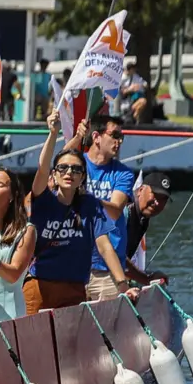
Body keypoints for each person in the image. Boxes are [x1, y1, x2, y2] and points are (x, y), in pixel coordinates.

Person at [24, 111, 136, 314]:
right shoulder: (43, 199)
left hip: (74, 288)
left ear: (83, 177)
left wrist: (123, 285)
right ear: (55, 174)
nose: (69, 173)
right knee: (36, 343)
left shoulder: (90, 205)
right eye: (63, 168)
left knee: (72, 344)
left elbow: (105, 247)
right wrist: (53, 133)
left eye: (75, 170)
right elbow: (42, 168)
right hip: (40, 286)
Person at [79, 115, 135, 301]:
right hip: (77, 265)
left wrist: (85, 197)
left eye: (121, 137)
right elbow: (57, 164)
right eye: (114, 135)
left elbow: (115, 210)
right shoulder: (77, 165)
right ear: (96, 137)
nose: (119, 141)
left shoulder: (123, 173)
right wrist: (76, 138)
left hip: (107, 271)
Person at [0, 167, 36, 321]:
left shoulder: (26, 230)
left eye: (0, 185)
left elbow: (13, 275)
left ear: (12, 195)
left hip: (10, 314)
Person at [124, 171, 172, 286]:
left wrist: (149, 276)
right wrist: (145, 278)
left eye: (163, 199)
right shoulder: (124, 211)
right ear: (140, 190)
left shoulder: (144, 217)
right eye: (155, 195)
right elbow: (114, 254)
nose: (157, 203)